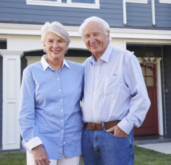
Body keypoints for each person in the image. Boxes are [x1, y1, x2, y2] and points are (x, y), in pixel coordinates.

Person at [80, 16, 151, 164]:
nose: (91, 40)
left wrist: (126, 126)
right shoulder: (85, 66)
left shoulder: (125, 58)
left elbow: (141, 97)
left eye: (96, 34)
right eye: (87, 36)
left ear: (108, 34)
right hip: (87, 136)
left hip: (114, 135)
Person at [18, 21, 84, 165]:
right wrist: (36, 147)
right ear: (44, 45)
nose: (55, 46)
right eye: (50, 41)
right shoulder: (31, 72)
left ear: (66, 45)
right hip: (43, 145)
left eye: (60, 41)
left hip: (72, 145)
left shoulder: (79, 71)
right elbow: (25, 114)